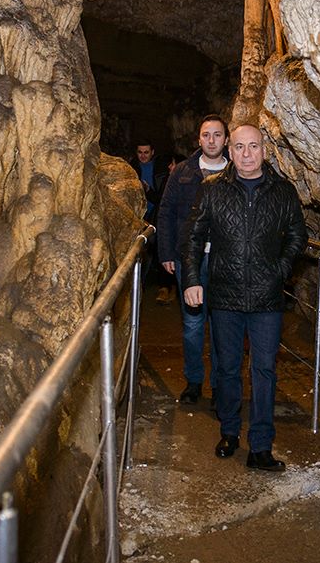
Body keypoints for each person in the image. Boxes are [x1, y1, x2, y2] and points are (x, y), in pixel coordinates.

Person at [182, 124, 307, 472]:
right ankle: (229, 432)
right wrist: (192, 280)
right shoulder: (212, 189)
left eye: (253, 146)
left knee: (264, 369)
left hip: (267, 297)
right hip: (225, 293)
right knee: (227, 367)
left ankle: (261, 446)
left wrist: (280, 268)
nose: (247, 154)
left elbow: (298, 234)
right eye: (239, 147)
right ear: (230, 151)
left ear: (264, 150)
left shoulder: (283, 191)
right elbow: (193, 237)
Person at [158, 115, 230, 405]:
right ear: (199, 139)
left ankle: (220, 385)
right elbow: (166, 211)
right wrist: (166, 253)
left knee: (222, 324)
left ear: (226, 139)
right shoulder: (183, 172)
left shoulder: (236, 171)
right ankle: (194, 381)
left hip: (225, 260)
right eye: (206, 135)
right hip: (189, 258)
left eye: (217, 135)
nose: (211, 140)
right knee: (193, 324)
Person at [129, 140, 172, 302]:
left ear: (152, 152)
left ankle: (164, 287)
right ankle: (138, 285)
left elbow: (163, 198)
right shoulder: (132, 168)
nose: (143, 156)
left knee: (160, 248)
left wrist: (147, 191)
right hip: (138, 215)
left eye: (146, 152)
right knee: (138, 250)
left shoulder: (161, 170)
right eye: (140, 152)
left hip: (157, 213)